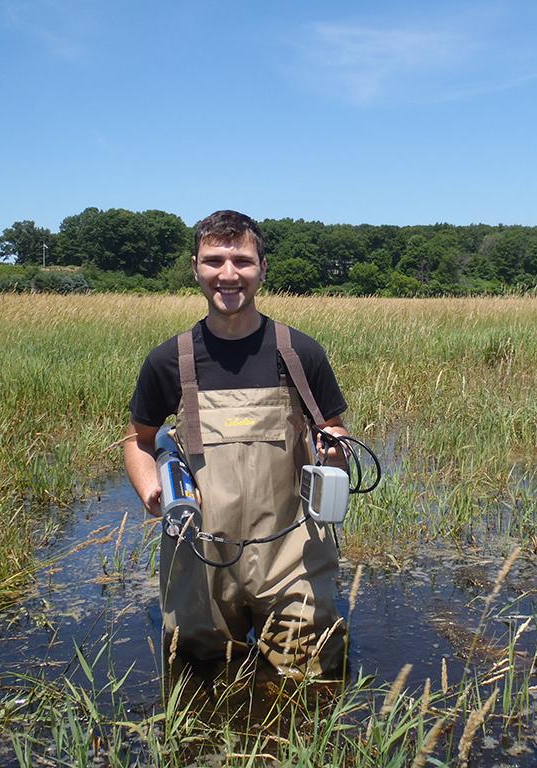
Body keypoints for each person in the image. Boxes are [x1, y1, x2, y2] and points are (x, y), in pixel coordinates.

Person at [124, 210, 348, 680]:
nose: (228, 275)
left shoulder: (301, 353)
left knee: (311, 681)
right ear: (195, 268)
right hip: (200, 559)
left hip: (292, 557)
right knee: (198, 681)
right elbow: (139, 441)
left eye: (242, 261)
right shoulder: (169, 360)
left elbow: (334, 428)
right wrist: (151, 490)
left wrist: (335, 451)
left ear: (263, 268)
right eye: (214, 261)